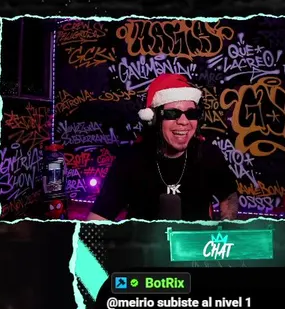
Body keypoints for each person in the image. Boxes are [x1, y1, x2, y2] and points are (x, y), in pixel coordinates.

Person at [89, 73, 239, 221]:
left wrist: (225, 229)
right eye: (172, 113)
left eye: (191, 113)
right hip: (144, 238)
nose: (184, 121)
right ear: (154, 119)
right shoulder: (130, 161)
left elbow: (228, 196)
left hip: (195, 237)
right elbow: (98, 218)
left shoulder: (208, 154)